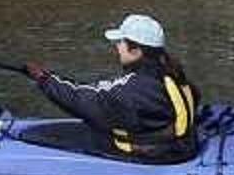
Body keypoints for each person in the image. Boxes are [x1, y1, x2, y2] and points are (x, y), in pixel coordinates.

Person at [17, 14, 200, 164]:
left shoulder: (134, 90)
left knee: (39, 136)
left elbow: (81, 101)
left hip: (155, 156)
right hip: (180, 148)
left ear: (136, 50)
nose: (117, 47)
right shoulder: (172, 73)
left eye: (121, 42)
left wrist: (44, 79)